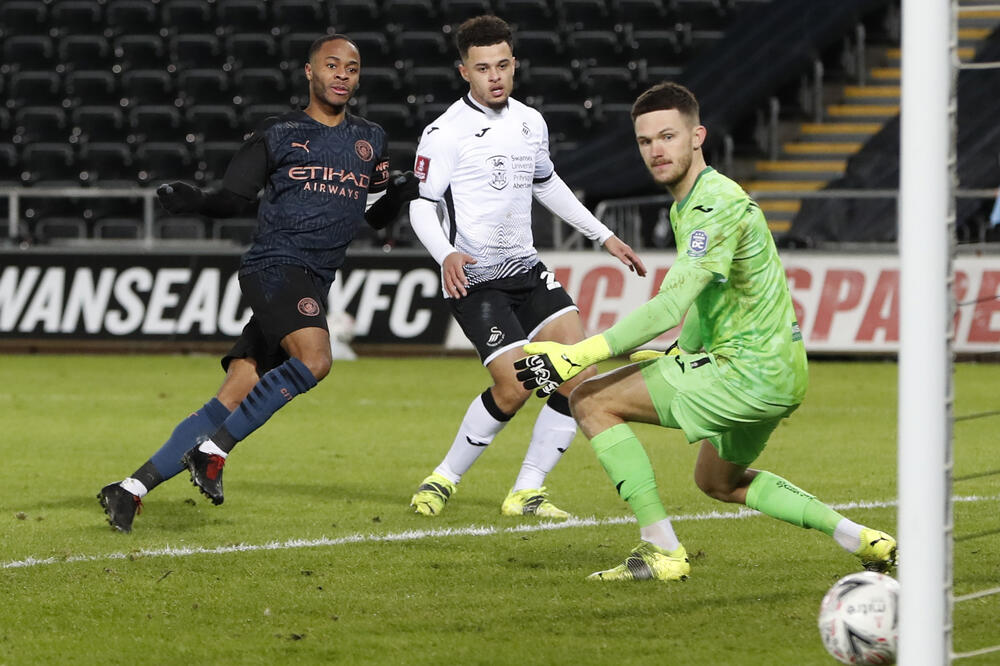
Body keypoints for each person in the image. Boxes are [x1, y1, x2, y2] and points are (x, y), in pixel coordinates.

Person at [514, 82, 897, 580]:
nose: (656, 150)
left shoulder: (712, 205)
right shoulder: (692, 202)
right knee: (717, 480)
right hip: (779, 373)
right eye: (645, 141)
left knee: (589, 399)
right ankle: (863, 538)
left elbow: (671, 302)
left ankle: (662, 552)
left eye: (667, 136)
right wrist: (678, 351)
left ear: (698, 136)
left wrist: (581, 354)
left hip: (745, 371)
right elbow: (703, 300)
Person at [98, 34, 419, 532]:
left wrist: (398, 194)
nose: (341, 74)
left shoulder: (371, 139)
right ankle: (213, 452)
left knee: (234, 393)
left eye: (351, 68)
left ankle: (129, 489)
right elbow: (233, 198)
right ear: (309, 72)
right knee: (315, 360)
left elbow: (376, 216)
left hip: (313, 278)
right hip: (274, 264)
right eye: (331, 65)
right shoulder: (278, 132)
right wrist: (195, 200)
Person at [407, 15, 646, 519]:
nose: (494, 76)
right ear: (464, 72)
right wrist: (446, 253)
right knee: (514, 387)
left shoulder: (529, 122)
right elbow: (420, 205)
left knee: (579, 372)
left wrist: (603, 235)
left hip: (526, 269)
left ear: (514, 64)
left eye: (502, 65)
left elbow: (547, 183)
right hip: (475, 277)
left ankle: (526, 491)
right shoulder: (445, 133)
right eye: (482, 68)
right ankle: (442, 480)